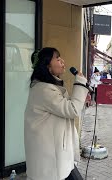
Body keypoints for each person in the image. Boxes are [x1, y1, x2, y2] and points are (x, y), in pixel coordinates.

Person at [24, 47, 89, 180]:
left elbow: (63, 108)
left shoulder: (48, 87)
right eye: (57, 59)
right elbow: (72, 110)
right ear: (47, 65)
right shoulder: (44, 90)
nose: (62, 61)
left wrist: (80, 95)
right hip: (50, 157)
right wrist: (81, 84)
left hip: (56, 153)